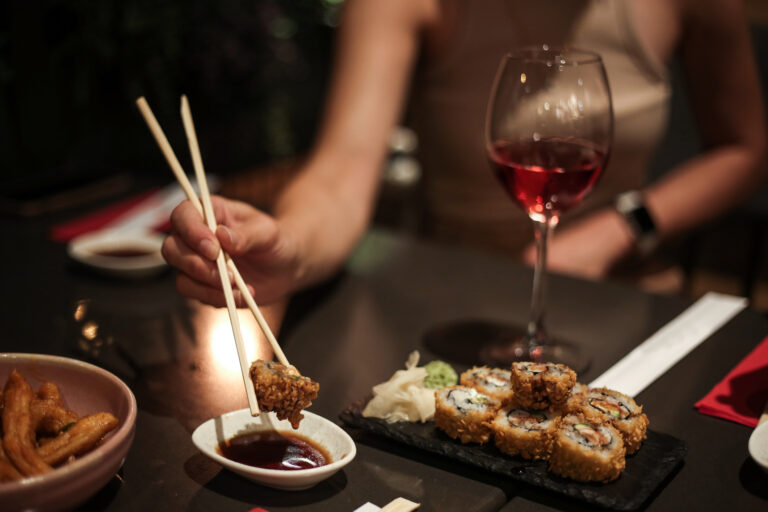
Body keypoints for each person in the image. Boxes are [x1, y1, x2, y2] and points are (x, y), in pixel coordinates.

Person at [161, 0, 766, 311]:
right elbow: (342, 170)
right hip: (454, 300)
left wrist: (620, 228)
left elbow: (747, 149)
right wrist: (288, 250)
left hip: (628, 295)